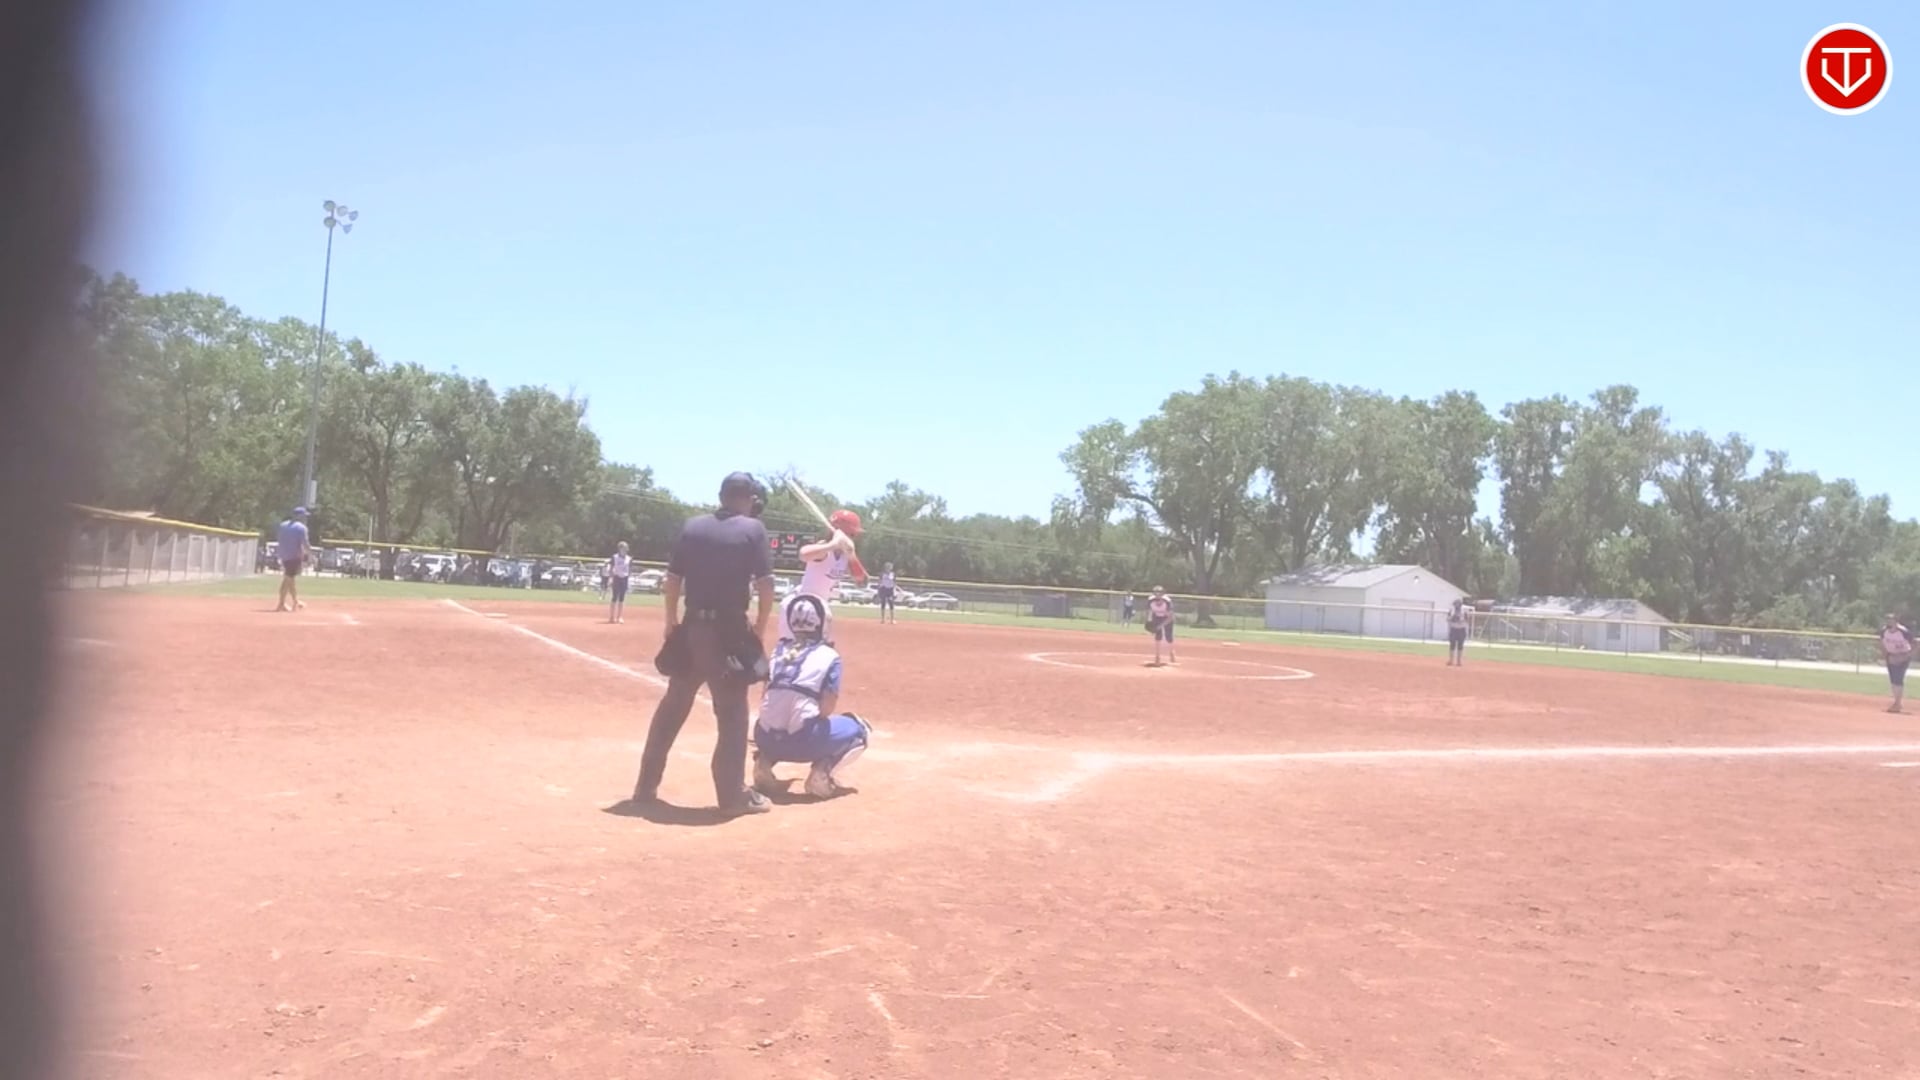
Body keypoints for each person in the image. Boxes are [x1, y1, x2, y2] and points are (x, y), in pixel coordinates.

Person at [631, 473, 779, 816]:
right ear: (748, 499)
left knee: (672, 708)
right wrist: (759, 626)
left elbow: (672, 580)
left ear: (721, 496)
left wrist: (671, 620)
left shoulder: (693, 526)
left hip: (692, 628)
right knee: (732, 714)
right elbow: (766, 585)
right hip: (728, 633)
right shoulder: (753, 529)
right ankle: (732, 796)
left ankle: (645, 787)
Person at [752, 594, 873, 799]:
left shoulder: (778, 650)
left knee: (774, 720)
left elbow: (765, 695)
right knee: (860, 729)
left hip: (764, 738)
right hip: (804, 741)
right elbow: (827, 708)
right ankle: (821, 774)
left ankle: (763, 763)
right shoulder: (830, 655)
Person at [780, 508, 867, 644]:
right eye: (853, 533)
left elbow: (862, 581)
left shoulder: (845, 556)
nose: (854, 537)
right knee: (793, 648)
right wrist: (833, 544)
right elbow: (803, 554)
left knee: (817, 649)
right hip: (800, 605)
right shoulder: (824, 549)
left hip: (819, 607)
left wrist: (851, 554)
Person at [274, 507, 311, 612]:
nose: (305, 518)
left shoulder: (283, 525)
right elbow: (305, 543)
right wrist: (310, 555)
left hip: (284, 555)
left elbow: (279, 539)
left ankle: (286, 603)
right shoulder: (301, 528)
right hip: (294, 556)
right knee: (289, 579)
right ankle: (290, 602)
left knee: (288, 579)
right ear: (299, 516)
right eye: (304, 516)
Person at [1879, 613, 1913, 714]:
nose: (1889, 622)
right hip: (1891, 656)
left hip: (1903, 657)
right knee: (1893, 680)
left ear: (1896, 621)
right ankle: (1897, 702)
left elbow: (1915, 643)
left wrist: (1906, 656)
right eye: (1888, 620)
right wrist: (1886, 656)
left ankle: (1897, 703)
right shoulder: (1884, 631)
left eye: (1891, 620)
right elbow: (1881, 643)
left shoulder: (1903, 631)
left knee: (1898, 679)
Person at [1144, 586, 1176, 666]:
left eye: (1160, 594)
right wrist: (1148, 620)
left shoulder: (1167, 602)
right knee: (1158, 636)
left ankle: (1171, 652)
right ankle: (1157, 656)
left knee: (1169, 637)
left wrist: (1160, 626)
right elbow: (1148, 611)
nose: (1158, 596)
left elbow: (1170, 617)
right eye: (1156, 594)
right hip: (1157, 617)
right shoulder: (1151, 600)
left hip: (1167, 618)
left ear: (1163, 594)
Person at [606, 540, 632, 623]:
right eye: (623, 548)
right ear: (620, 549)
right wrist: (610, 578)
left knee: (622, 598)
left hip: (624, 578)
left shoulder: (629, 559)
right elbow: (611, 568)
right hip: (617, 577)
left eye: (626, 548)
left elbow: (629, 570)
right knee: (614, 597)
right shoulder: (615, 557)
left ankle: (619, 617)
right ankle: (611, 617)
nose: (625, 550)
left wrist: (629, 579)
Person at [1446, 598, 1470, 666]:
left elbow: (1467, 620)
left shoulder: (1464, 610)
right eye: (1455, 604)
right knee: (1452, 645)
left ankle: (1459, 661)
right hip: (1453, 629)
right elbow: (1447, 619)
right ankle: (1451, 661)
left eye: (1457, 604)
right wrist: (1452, 618)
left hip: (1461, 629)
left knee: (1460, 645)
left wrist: (1461, 620)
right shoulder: (1451, 610)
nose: (1456, 605)